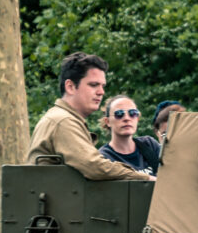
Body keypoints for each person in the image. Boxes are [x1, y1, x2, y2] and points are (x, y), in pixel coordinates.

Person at [29, 53, 153, 181]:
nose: (101, 92)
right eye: (93, 85)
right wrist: (147, 178)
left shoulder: (62, 117)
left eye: (102, 86)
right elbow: (95, 167)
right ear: (70, 87)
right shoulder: (63, 121)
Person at [98, 95, 163, 176]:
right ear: (107, 121)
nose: (127, 118)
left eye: (133, 113)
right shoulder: (103, 157)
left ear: (137, 118)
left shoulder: (149, 145)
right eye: (119, 114)